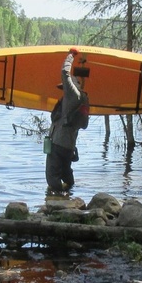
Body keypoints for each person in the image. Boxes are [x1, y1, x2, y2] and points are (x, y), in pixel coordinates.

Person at [46, 48, 89, 194]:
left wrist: (71, 55)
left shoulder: (73, 94)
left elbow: (65, 73)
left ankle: (56, 199)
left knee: (52, 176)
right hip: (68, 147)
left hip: (58, 144)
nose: (63, 89)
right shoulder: (81, 98)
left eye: (64, 87)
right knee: (66, 174)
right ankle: (69, 195)